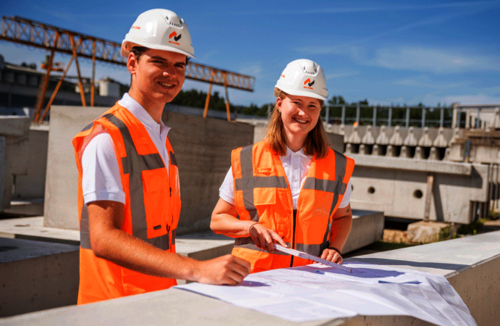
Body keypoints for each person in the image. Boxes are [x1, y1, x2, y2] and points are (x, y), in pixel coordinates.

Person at [72, 9, 249, 305]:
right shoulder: (107, 138)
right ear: (132, 62)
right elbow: (103, 239)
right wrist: (197, 269)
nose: (171, 74)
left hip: (156, 301)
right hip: (113, 305)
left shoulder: (160, 142)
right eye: (159, 62)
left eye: (179, 65)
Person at [211, 59, 355, 273]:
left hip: (312, 277)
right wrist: (251, 227)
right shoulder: (246, 160)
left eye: (312, 105)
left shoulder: (337, 166)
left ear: (319, 110)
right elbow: (218, 220)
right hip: (254, 278)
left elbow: (343, 216)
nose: (304, 113)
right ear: (279, 104)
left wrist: (335, 247)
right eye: (296, 102)